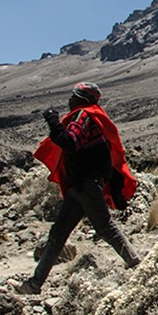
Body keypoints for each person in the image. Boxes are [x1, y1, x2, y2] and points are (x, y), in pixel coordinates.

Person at [16, 82, 141, 294]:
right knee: (59, 233)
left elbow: (70, 142)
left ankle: (136, 265)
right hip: (81, 186)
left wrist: (52, 120)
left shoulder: (82, 116)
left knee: (104, 227)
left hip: (84, 184)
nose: (69, 100)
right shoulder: (95, 118)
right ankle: (35, 283)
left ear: (81, 98)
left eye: (73, 96)